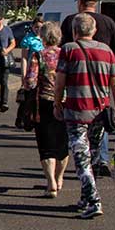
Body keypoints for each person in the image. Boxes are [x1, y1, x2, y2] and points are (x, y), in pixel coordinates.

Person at [53, 13, 115, 219]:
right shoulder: (106, 51)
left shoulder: (69, 50)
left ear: (75, 32)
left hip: (76, 111)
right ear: (93, 31)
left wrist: (57, 103)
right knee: (91, 154)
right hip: (100, 112)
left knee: (81, 157)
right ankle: (85, 197)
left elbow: (60, 81)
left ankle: (93, 200)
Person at [61, 0, 115, 174]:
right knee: (101, 116)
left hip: (77, 81)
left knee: (78, 123)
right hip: (103, 79)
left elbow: (62, 51)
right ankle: (101, 158)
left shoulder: (72, 21)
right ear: (95, 3)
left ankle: (84, 160)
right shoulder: (108, 22)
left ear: (80, 3)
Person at [35, 22, 69, 198]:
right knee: (62, 143)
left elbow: (31, 81)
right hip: (65, 101)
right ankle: (60, 177)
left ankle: (51, 184)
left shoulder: (40, 55)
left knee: (46, 143)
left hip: (45, 102)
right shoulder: (66, 54)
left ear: (43, 36)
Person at [20, 16, 45, 90]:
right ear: (32, 26)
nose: (38, 29)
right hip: (32, 71)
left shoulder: (45, 38)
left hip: (44, 70)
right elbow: (24, 58)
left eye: (41, 27)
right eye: (36, 27)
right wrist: (23, 76)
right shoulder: (27, 39)